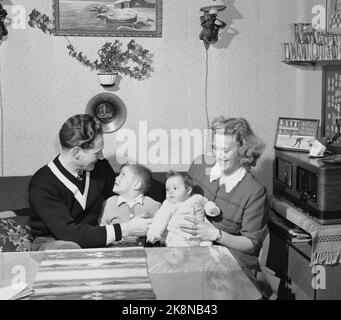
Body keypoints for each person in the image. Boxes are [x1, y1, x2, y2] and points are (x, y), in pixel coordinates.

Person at [28, 114, 151, 251]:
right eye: (97, 152)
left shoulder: (99, 166)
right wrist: (126, 229)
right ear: (76, 153)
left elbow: (123, 197)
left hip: (95, 235)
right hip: (55, 242)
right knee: (68, 248)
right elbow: (70, 234)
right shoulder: (43, 184)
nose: (101, 156)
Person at [182, 116, 273, 298]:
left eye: (226, 150)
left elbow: (250, 245)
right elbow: (181, 200)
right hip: (189, 246)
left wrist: (215, 234)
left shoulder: (255, 191)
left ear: (242, 150)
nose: (219, 156)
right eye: (216, 148)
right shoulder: (199, 165)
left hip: (231, 258)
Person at [146, 171, 220, 247]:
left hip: (200, 236)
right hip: (178, 236)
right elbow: (160, 218)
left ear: (188, 190)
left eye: (175, 188)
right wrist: (154, 233)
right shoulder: (168, 204)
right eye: (167, 189)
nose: (170, 192)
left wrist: (212, 209)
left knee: (208, 243)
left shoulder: (198, 198)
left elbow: (207, 203)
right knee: (179, 247)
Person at [98, 163, 161, 244]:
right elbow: (102, 228)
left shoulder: (152, 205)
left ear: (137, 184)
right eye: (119, 174)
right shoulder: (109, 203)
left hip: (144, 250)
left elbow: (160, 227)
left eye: (123, 175)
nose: (116, 177)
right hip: (116, 251)